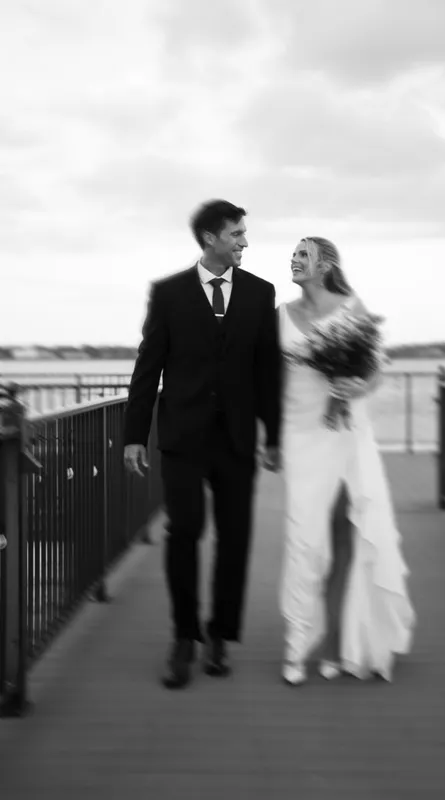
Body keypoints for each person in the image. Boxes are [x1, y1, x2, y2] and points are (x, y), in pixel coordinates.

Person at [123, 199, 281, 690]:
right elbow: (149, 365)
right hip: (183, 436)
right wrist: (134, 436)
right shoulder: (168, 293)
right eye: (237, 234)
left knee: (235, 538)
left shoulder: (260, 292)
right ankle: (184, 637)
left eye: (244, 234)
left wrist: (274, 435)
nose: (245, 242)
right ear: (211, 238)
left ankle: (220, 635)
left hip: (236, 437)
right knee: (184, 531)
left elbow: (267, 370)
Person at [278, 236, 415, 685]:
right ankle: (296, 641)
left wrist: (357, 387)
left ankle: (338, 642)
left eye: (303, 254)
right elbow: (273, 380)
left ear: (325, 266)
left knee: (344, 534)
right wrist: (269, 439)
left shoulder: (352, 307)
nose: (294, 260)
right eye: (293, 254)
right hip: (299, 434)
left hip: (345, 434)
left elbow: (373, 370)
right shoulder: (280, 315)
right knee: (303, 538)